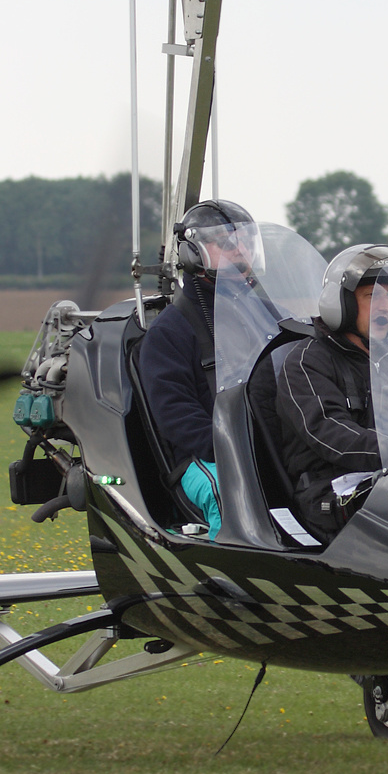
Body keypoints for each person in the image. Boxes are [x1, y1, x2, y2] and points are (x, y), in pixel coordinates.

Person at [277, 244, 388, 541]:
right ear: (343, 304)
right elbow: (328, 432)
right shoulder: (308, 361)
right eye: (373, 296)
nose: (386, 307)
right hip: (332, 489)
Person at [138, 199, 261, 538]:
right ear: (193, 253)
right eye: (225, 243)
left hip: (265, 450)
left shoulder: (267, 316)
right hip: (207, 460)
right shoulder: (170, 331)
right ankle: (239, 580)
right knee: (234, 494)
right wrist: (240, 450)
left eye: (246, 242)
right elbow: (177, 417)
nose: (240, 251)